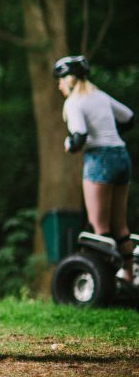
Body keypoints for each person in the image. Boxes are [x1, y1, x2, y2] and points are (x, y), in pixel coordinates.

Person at [54, 55, 135, 284]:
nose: (59, 85)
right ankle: (128, 274)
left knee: (100, 226)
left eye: (60, 80)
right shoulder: (100, 96)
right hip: (121, 155)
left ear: (70, 79)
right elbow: (129, 118)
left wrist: (68, 144)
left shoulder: (74, 102)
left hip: (99, 159)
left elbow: (79, 137)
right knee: (120, 225)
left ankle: (105, 281)